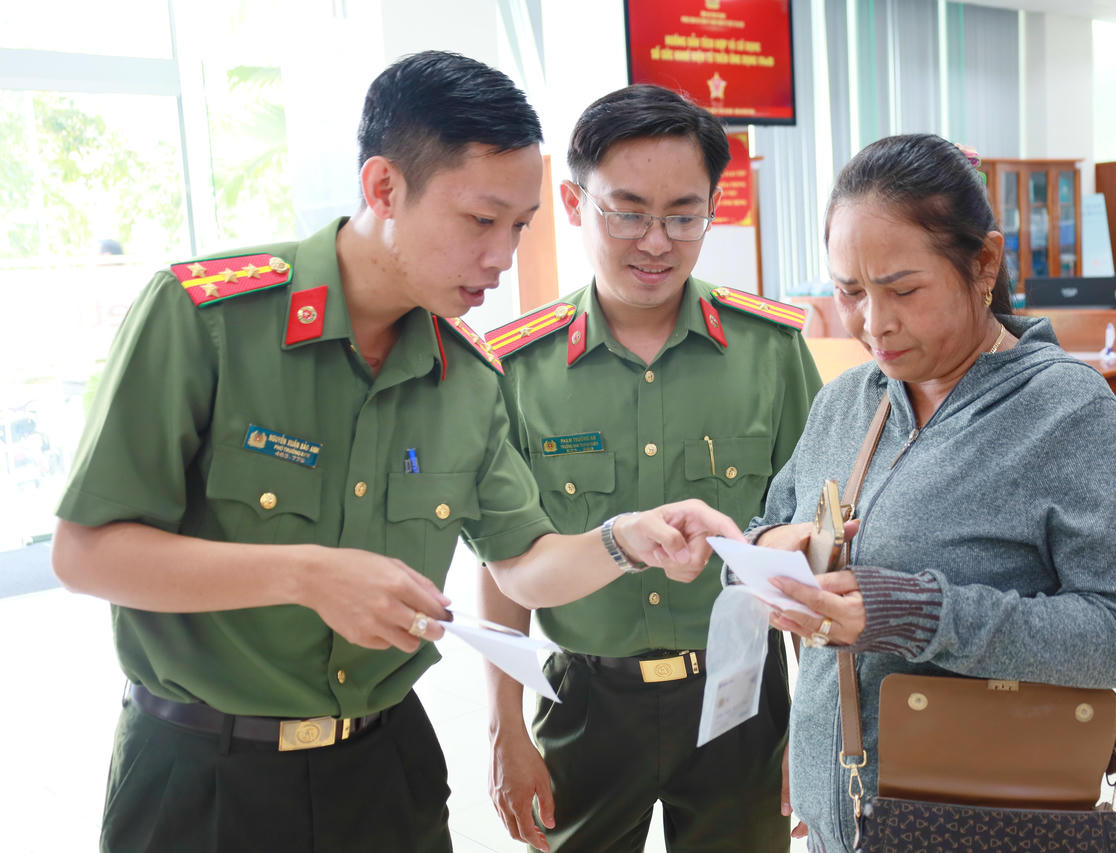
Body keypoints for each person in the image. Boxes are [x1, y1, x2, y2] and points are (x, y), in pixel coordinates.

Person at [50, 52, 740, 853]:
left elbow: (523, 563)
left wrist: (626, 539)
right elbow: (85, 551)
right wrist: (305, 574)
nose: (502, 256)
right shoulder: (207, 320)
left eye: (519, 227)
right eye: (480, 221)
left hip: (383, 772)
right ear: (384, 188)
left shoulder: (468, 376)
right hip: (202, 775)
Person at [751, 133, 1116, 850]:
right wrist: (771, 547)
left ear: (983, 262)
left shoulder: (1068, 412)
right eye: (849, 291)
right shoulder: (848, 402)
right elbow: (777, 517)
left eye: (903, 290)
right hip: (839, 808)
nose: (873, 323)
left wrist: (921, 612)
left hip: (978, 817)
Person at [478, 84, 823, 853]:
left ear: (712, 208)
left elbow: (812, 546)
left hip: (742, 694)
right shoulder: (514, 369)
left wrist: (819, 720)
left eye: (683, 213)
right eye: (627, 211)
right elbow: (505, 565)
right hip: (584, 700)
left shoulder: (770, 351)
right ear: (573, 203)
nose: (657, 241)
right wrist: (505, 728)